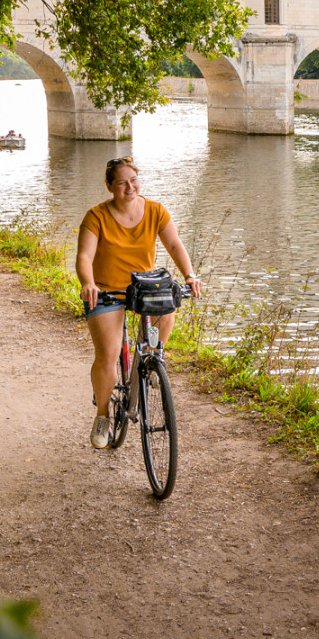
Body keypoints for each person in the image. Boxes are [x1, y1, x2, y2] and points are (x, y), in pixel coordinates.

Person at [75, 156, 203, 449]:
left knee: (167, 305)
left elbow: (174, 245)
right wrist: (88, 283)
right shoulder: (96, 217)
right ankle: (103, 415)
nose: (129, 187)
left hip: (142, 288)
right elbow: (84, 257)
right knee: (107, 355)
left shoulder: (156, 210)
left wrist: (190, 275)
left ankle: (153, 359)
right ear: (110, 186)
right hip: (106, 291)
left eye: (133, 180)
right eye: (121, 183)